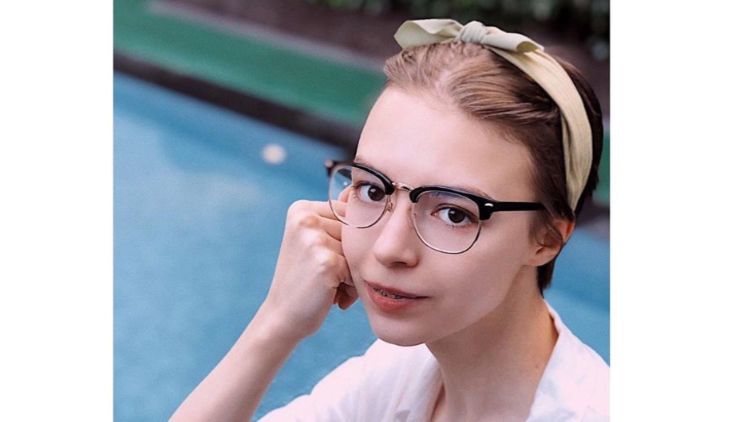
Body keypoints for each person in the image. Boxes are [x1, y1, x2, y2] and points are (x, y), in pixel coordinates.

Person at [171, 18, 608, 422]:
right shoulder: (400, 377)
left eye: (454, 213)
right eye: (373, 190)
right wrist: (277, 322)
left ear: (547, 239)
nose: (389, 248)